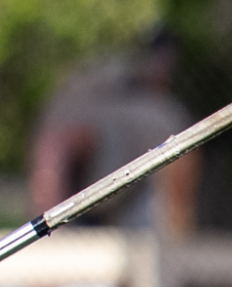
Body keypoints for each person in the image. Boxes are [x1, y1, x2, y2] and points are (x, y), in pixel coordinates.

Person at [29, 30, 198, 236]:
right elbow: (53, 153)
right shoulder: (81, 102)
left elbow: (178, 199)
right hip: (81, 203)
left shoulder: (160, 115)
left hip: (130, 210)